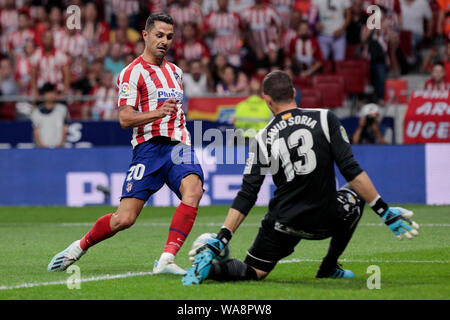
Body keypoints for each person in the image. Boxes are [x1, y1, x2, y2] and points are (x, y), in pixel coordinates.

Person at [182, 70, 419, 285]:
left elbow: (248, 193)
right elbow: (351, 170)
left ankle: (209, 271)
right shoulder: (326, 119)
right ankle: (328, 266)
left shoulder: (262, 137)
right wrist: (384, 211)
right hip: (325, 219)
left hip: (283, 223)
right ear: (294, 93)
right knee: (354, 194)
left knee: (254, 271)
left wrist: (223, 236)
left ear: (267, 100)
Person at [47, 13, 204, 276]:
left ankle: (166, 259)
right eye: (159, 35)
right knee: (125, 219)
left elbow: (175, 114)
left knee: (194, 190)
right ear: (145, 35)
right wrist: (157, 112)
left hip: (178, 146)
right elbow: (124, 118)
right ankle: (78, 247)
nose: (164, 41)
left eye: (169, 37)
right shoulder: (131, 73)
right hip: (148, 150)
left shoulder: (176, 72)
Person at [30, 82, 69, 148]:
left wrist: (60, 144)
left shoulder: (62, 109)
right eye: (48, 93)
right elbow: (36, 131)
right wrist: (42, 146)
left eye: (52, 92)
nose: (50, 95)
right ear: (43, 95)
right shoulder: (36, 112)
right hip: (42, 149)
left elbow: (64, 128)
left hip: (59, 148)